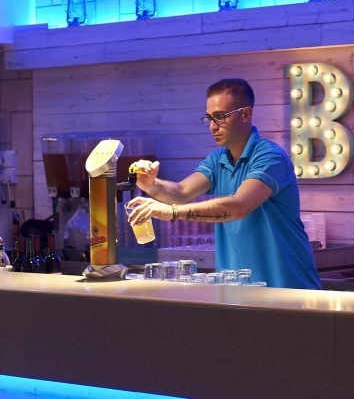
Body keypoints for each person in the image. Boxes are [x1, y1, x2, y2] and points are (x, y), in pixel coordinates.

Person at [127, 78, 322, 290]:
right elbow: (181, 192)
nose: (212, 126)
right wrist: (151, 185)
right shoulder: (217, 159)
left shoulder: (271, 156)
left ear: (246, 114)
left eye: (220, 117)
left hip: (288, 290)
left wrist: (173, 212)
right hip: (238, 290)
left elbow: (239, 206)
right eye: (209, 118)